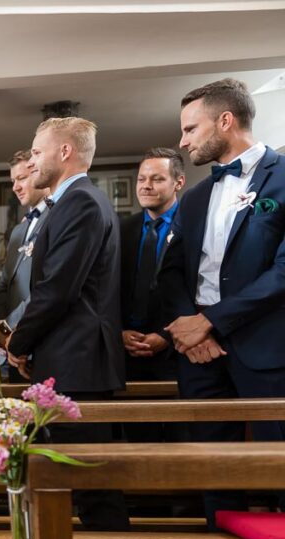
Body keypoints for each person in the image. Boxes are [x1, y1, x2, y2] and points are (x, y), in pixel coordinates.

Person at [160, 80, 285, 539]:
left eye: (190, 128)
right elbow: (171, 275)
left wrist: (215, 319)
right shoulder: (192, 198)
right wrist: (192, 328)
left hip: (266, 350)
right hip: (200, 357)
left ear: (226, 121)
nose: (182, 139)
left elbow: (282, 272)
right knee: (216, 471)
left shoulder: (282, 178)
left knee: (278, 470)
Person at [8, 116, 129, 539]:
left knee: (93, 492)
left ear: (64, 151)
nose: (31, 161)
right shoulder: (72, 202)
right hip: (70, 360)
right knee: (79, 490)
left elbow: (58, 289)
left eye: (36, 152)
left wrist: (18, 341)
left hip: (79, 364)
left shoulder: (80, 202)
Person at [120, 148, 187, 442]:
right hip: (129, 352)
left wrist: (167, 335)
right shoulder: (123, 229)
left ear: (178, 183)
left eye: (157, 179)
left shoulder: (194, 224)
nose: (146, 185)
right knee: (137, 442)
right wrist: (119, 331)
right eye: (142, 179)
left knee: (181, 441)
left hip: (179, 351)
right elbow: (110, 288)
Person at [0, 150, 49, 380]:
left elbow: (47, 286)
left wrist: (13, 329)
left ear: (39, 174)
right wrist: (1, 332)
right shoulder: (17, 231)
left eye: (22, 178)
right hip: (13, 348)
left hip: (42, 340)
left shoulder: (56, 219)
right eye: (13, 181)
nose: (15, 187)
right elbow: (4, 285)